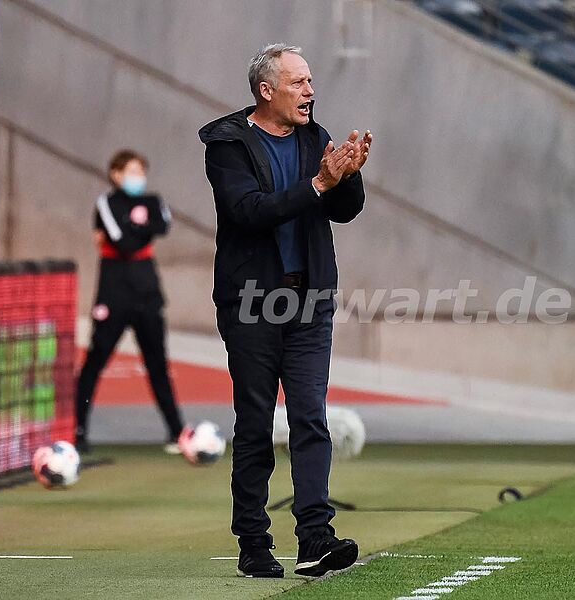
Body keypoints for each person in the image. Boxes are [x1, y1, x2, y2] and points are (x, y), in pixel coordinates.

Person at [198, 43, 371, 578]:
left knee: (310, 419)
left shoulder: (315, 137)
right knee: (254, 425)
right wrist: (319, 183)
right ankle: (253, 543)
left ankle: (316, 537)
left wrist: (347, 176)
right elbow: (248, 212)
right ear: (266, 90)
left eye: (310, 81)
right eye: (298, 83)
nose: (310, 91)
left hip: (310, 300)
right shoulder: (227, 145)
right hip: (251, 303)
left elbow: (343, 211)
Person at [74, 150, 185, 455]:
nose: (138, 177)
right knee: (95, 361)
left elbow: (162, 225)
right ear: (116, 173)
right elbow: (122, 242)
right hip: (114, 295)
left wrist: (135, 229)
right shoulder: (106, 204)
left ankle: (176, 431)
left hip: (147, 293)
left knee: (157, 363)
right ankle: (78, 430)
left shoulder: (153, 201)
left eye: (141, 171)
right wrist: (141, 231)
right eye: (132, 171)